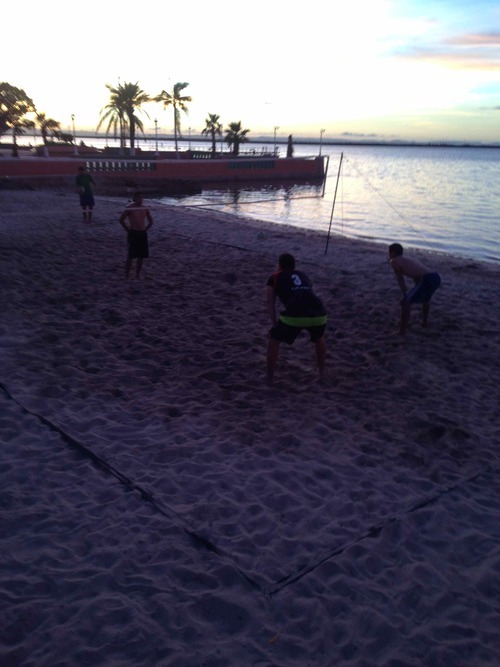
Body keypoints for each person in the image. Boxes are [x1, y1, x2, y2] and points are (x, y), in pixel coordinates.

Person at [265, 253, 327, 384]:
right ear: (294, 266)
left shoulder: (274, 277)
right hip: (320, 313)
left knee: (274, 339)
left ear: (279, 265)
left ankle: (269, 376)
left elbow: (270, 304)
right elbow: (307, 293)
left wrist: (274, 324)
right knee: (319, 337)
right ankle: (322, 372)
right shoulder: (303, 275)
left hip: (296, 314)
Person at [388, 243, 441, 335]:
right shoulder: (408, 259)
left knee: (405, 303)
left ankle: (401, 331)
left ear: (392, 252)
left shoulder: (394, 261)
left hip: (427, 279)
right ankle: (424, 322)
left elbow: (400, 279)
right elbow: (417, 273)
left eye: (389, 252)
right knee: (426, 300)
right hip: (436, 277)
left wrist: (404, 294)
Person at [119, 192, 154, 279]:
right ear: (134, 198)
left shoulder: (145, 208)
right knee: (131, 255)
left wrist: (145, 229)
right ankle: (127, 274)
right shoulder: (129, 207)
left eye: (141, 198)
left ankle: (137, 274)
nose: (140, 200)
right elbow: (121, 220)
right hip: (133, 232)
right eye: (138, 198)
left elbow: (151, 221)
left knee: (141, 256)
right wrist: (128, 230)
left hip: (142, 233)